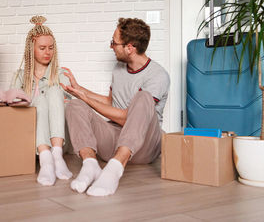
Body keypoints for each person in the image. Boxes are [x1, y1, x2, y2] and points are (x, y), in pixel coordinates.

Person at [61, 18, 170, 196]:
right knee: (75, 104)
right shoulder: (119, 68)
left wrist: (87, 99)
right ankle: (90, 165)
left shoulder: (158, 76)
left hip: (144, 145)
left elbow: (128, 117)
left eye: (114, 43)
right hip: (114, 138)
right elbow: (111, 103)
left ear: (130, 47)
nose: (111, 46)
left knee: (143, 98)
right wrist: (79, 90)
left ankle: (115, 168)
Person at [11, 15, 73, 186]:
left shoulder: (62, 75)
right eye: (42, 48)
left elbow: (68, 107)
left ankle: (57, 156)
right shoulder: (19, 76)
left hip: (59, 139)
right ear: (31, 49)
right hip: (30, 138)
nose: (48, 52)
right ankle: (46, 160)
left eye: (51, 48)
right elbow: (11, 107)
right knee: (39, 101)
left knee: (53, 90)